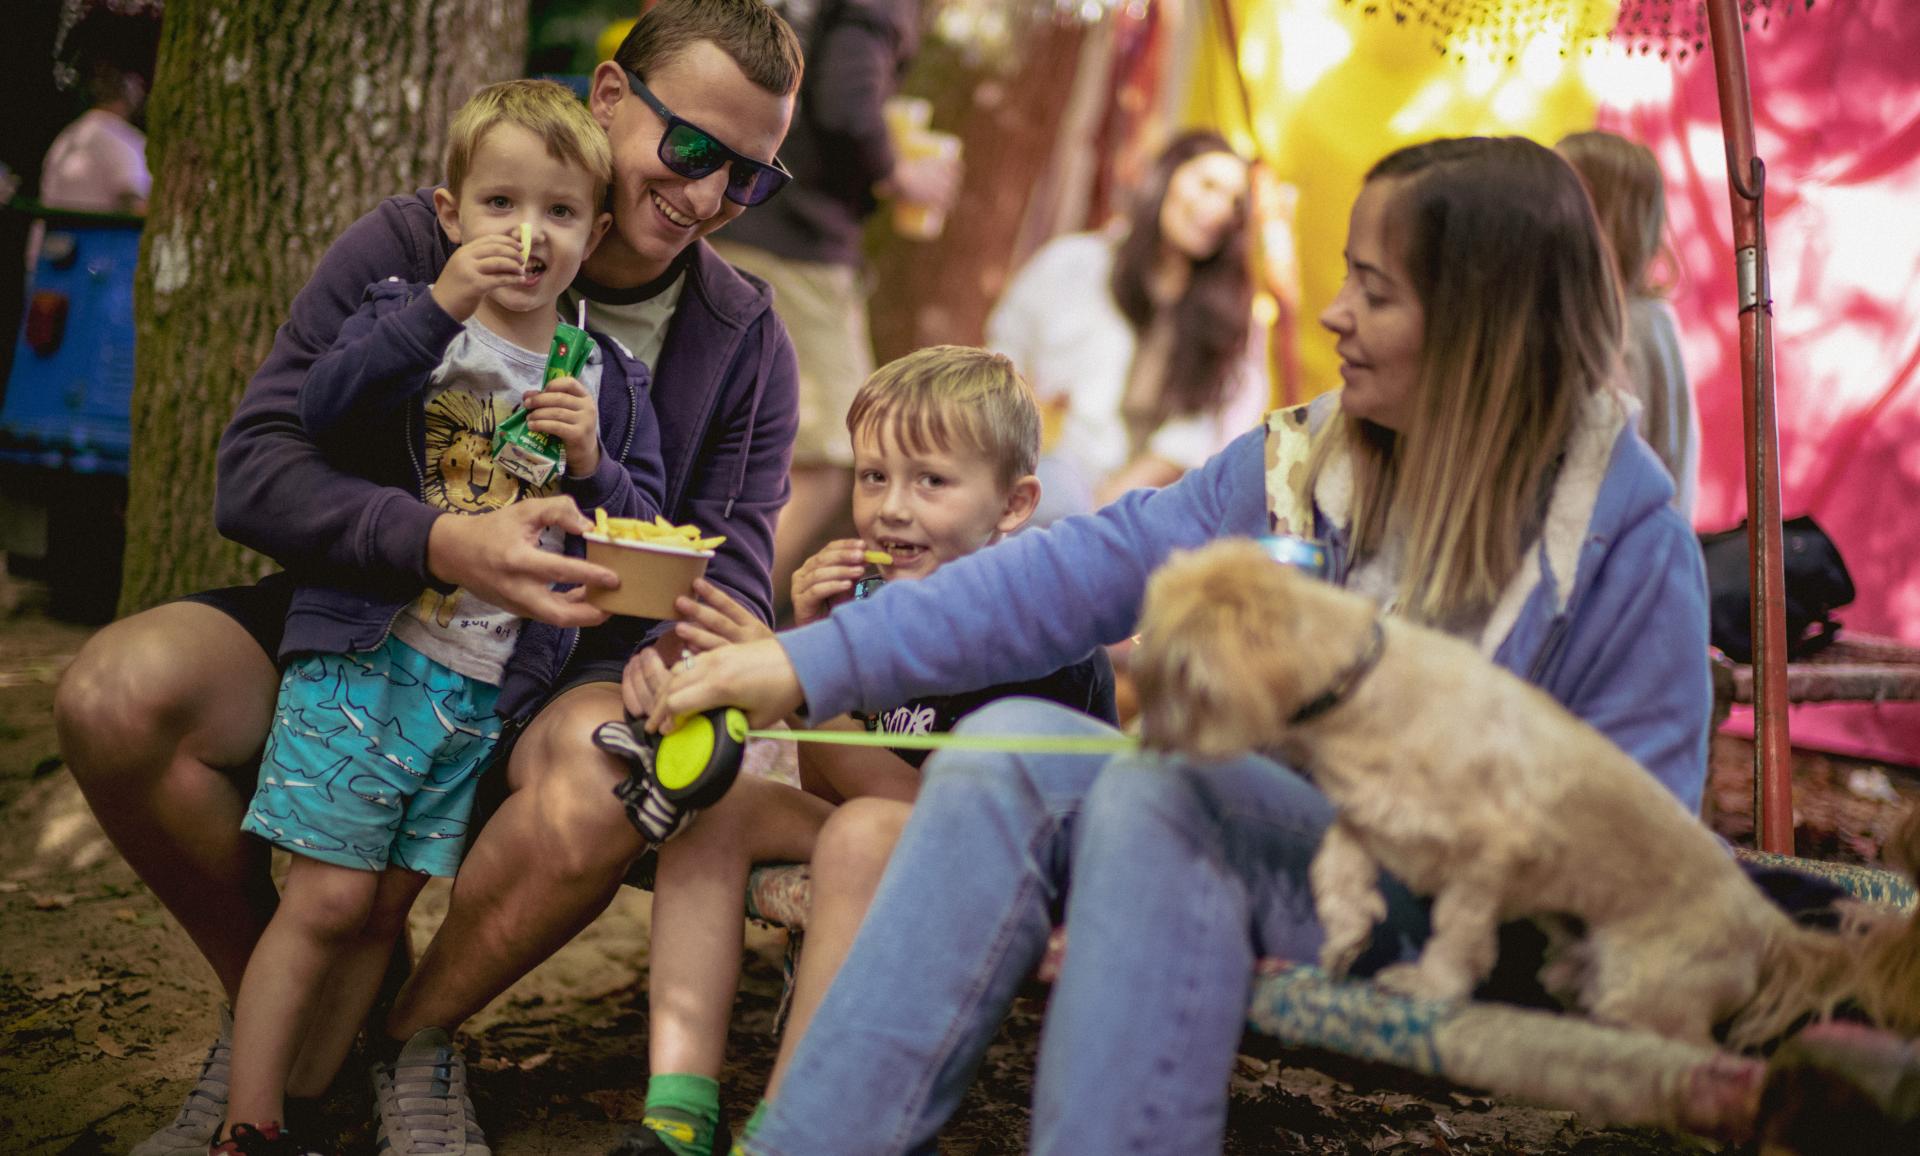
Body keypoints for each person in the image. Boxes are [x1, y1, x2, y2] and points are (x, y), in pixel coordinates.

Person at [648, 136, 1714, 1154]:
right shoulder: (1310, 459)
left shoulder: (1622, 533)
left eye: (1378, 293)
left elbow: (1638, 846)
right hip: (1291, 848)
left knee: (1171, 794)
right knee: (1010, 740)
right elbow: (1081, 567)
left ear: (1485, 321)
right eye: (1350, 277)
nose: (1336, 315)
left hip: (1475, 924)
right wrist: (807, 661)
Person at [54, 3, 806, 1154]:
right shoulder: (423, 246)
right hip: (363, 619)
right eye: (693, 149)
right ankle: (288, 1012)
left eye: (747, 177)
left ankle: (408, 1035)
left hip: (562, 671)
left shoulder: (743, 334)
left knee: (614, 773)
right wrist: (439, 542)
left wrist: (670, 633)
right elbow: (256, 470)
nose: (706, 199)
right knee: (114, 693)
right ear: (611, 101)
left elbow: (731, 570)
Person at [206, 77, 662, 1155]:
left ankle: (313, 1097)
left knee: (380, 912)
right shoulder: (406, 317)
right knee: (322, 900)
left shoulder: (600, 374)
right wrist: (436, 304)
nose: (527, 234)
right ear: (449, 213)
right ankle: (247, 1121)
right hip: (372, 657)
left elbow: (639, 532)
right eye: (499, 204)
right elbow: (325, 407)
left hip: (480, 688)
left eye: (557, 212)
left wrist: (595, 462)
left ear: (594, 233)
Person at [607, 345, 1116, 1155]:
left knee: (860, 835)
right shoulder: (875, 606)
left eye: (931, 481)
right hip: (886, 841)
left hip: (1016, 870)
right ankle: (678, 1112)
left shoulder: (1034, 637)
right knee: (721, 808)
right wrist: (818, 641)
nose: (892, 508)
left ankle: (796, 1126)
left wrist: (807, 683)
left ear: (1014, 505)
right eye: (874, 476)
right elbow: (831, 779)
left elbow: (955, 819)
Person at [708, 0, 962, 620]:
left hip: (742, 208)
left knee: (732, 430)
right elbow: (849, 100)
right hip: (798, 237)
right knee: (836, 445)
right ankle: (716, 623)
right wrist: (900, 173)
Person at [986, 129, 1267, 526]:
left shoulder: (1231, 320)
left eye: (1234, 202)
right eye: (1207, 185)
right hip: (1043, 471)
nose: (1219, 208)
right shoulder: (1075, 264)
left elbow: (1199, 441)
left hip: (1142, 512)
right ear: (1167, 176)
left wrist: (1104, 517)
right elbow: (1005, 348)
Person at [1557, 129, 1701, 521]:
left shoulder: (1629, 327)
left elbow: (1622, 458)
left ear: (1611, 222)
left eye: (1564, 201)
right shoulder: (1640, 318)